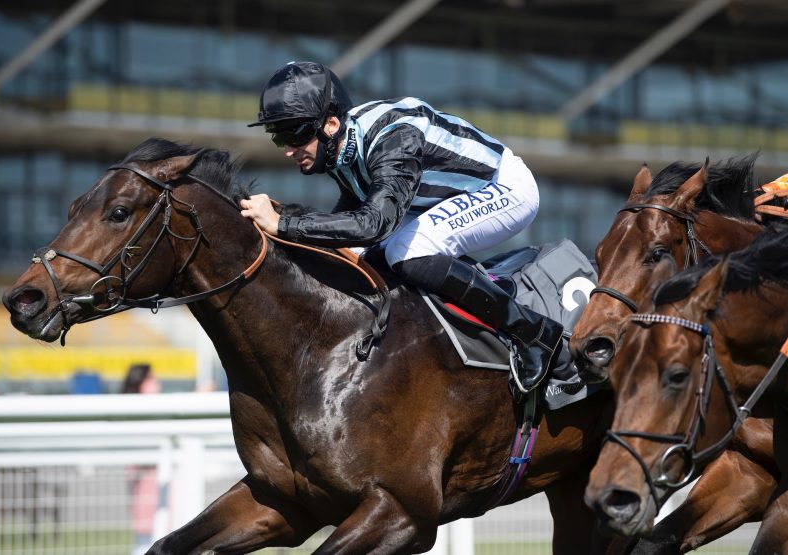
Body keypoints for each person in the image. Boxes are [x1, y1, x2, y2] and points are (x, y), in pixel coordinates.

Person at [240, 61, 563, 395]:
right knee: (356, 256)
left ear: (331, 123)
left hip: (504, 188)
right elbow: (355, 214)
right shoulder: (338, 145)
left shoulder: (394, 139)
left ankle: (534, 333)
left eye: (294, 134)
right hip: (432, 200)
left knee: (407, 252)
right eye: (279, 138)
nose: (289, 150)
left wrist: (284, 223)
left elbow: (374, 223)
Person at [121, 363, 161, 555]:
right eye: (151, 378)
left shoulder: (156, 411)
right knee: (147, 533)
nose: (156, 382)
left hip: (154, 478)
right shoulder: (134, 413)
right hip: (145, 480)